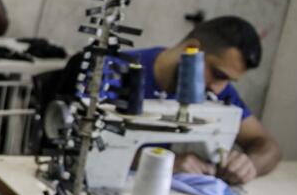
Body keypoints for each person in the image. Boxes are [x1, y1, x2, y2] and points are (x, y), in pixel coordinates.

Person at [105, 16, 281, 184]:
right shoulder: (111, 73)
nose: (218, 88)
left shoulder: (216, 90)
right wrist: (164, 163)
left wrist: (249, 165)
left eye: (228, 80)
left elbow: (267, 145)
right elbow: (86, 144)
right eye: (218, 74)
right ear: (190, 49)